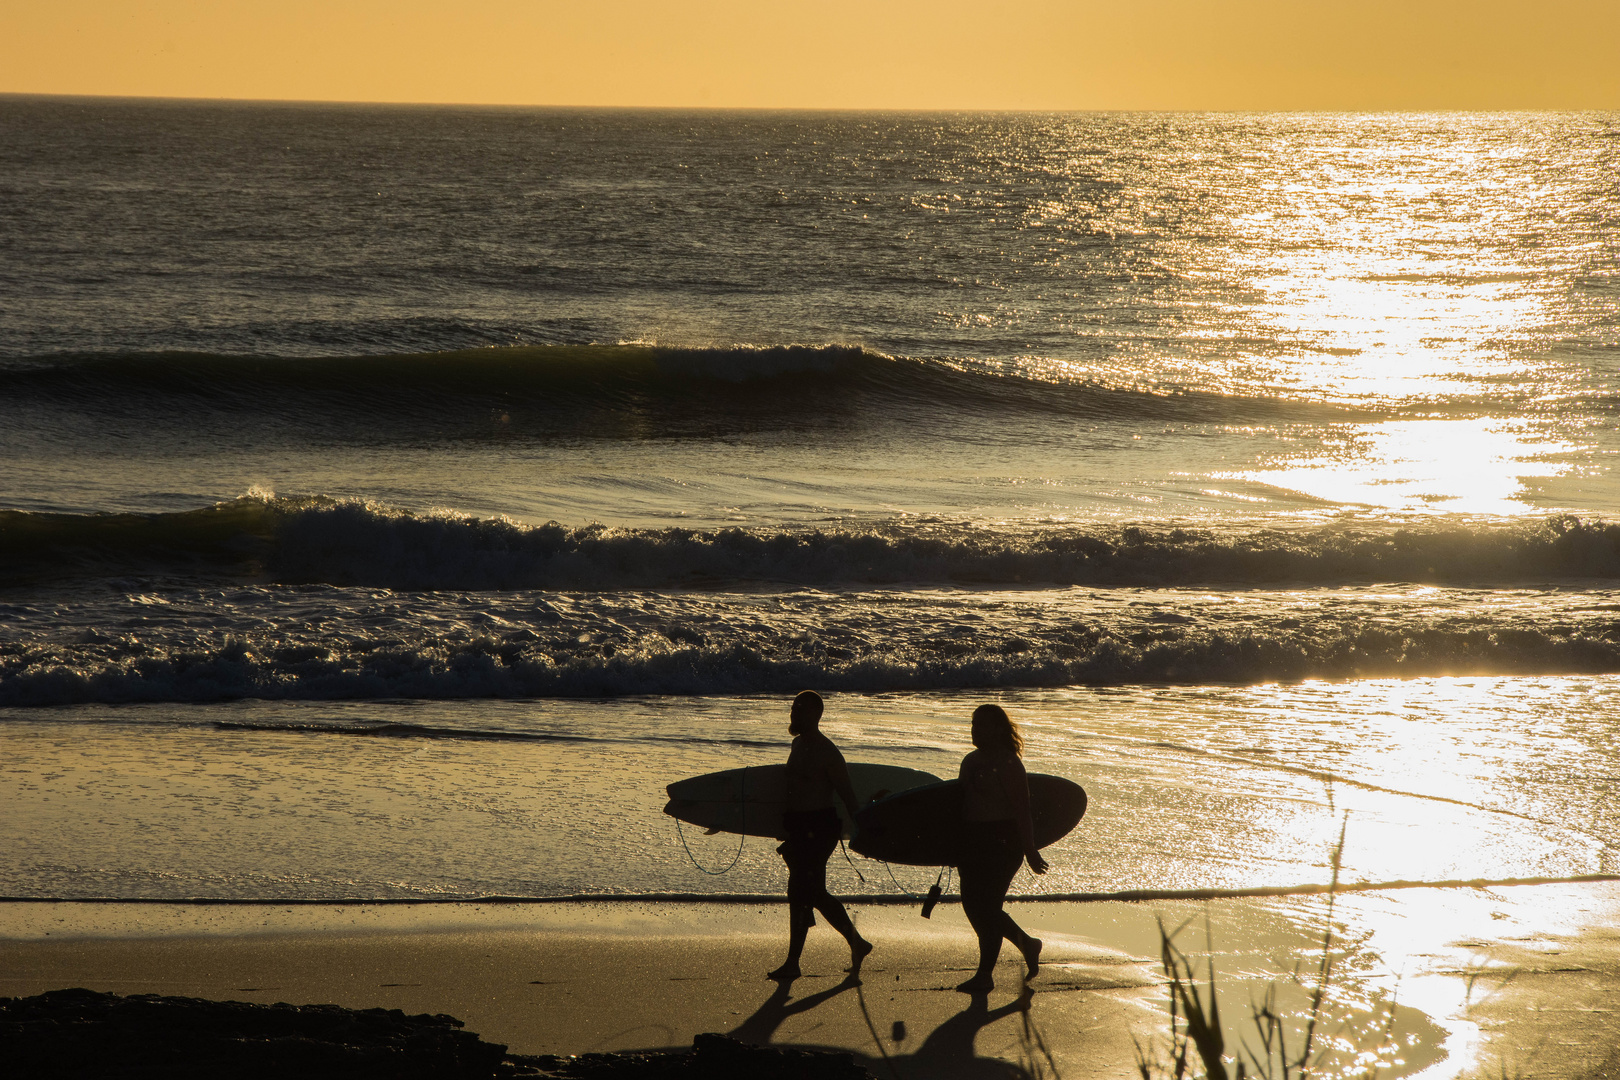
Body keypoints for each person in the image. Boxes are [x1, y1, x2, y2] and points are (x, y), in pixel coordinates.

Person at [768, 690, 873, 981]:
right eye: (792, 708)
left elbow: (848, 796)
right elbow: (788, 794)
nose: (793, 714)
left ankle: (793, 963)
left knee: (802, 893)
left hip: (820, 829)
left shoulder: (827, 752)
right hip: (799, 829)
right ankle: (857, 943)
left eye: (799, 710)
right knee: (808, 893)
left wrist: (866, 833)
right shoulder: (797, 745)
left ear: (815, 714)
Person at [954, 703, 1047, 992]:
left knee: (988, 908)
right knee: (973, 905)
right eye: (973, 724)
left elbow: (1023, 810)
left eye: (982, 725)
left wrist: (1030, 850)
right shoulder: (970, 761)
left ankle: (985, 975)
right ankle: (1027, 944)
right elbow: (959, 806)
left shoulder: (1009, 763)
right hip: (972, 840)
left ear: (998, 730)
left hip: (1002, 842)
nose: (975, 730)